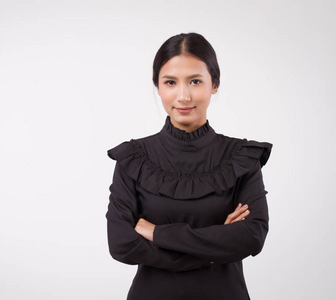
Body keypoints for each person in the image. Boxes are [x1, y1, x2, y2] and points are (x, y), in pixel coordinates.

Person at [106, 33, 272, 300]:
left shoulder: (242, 157)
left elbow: (251, 236)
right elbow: (121, 244)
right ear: (158, 87)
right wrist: (212, 250)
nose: (183, 96)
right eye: (170, 82)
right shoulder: (134, 158)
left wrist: (157, 233)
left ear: (214, 84)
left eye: (195, 81)